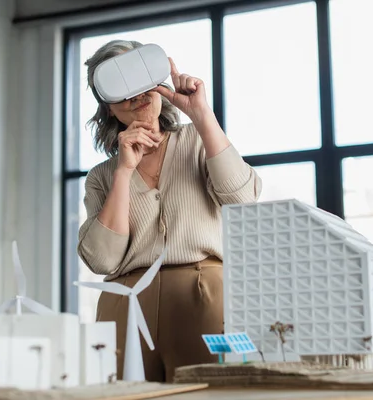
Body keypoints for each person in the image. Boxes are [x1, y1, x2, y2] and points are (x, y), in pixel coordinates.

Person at [77, 40, 262, 383]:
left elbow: (242, 200)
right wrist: (124, 171)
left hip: (203, 298)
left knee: (213, 392)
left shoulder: (197, 140)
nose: (136, 93)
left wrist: (202, 115)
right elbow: (102, 259)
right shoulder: (101, 176)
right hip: (125, 306)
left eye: (140, 76)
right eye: (120, 88)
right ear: (109, 109)